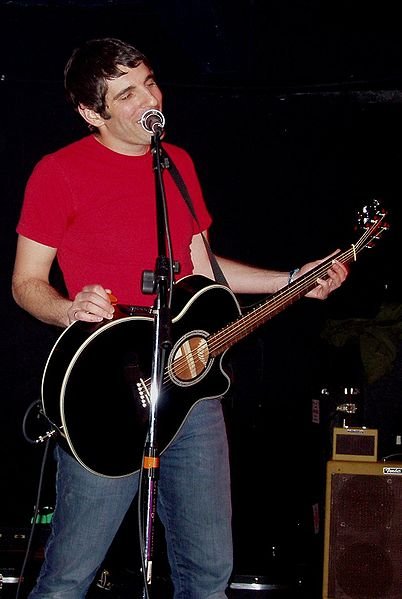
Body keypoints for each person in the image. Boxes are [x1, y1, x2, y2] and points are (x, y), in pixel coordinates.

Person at [11, 37, 348, 599]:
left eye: (149, 82)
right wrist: (68, 307)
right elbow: (25, 283)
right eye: (127, 93)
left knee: (209, 572)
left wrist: (293, 279)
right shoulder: (59, 172)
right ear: (92, 113)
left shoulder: (176, 163)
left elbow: (202, 268)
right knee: (69, 576)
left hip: (190, 384)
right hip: (107, 389)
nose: (150, 98)